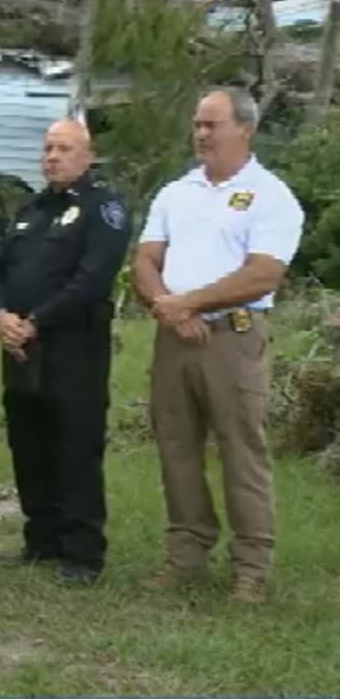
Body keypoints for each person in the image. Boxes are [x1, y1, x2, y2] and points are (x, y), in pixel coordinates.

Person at [131, 87, 303, 604]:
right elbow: (144, 260)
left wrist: (190, 303)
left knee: (240, 451)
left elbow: (264, 273)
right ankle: (186, 556)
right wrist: (168, 305)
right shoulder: (175, 192)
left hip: (234, 338)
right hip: (175, 338)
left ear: (244, 130)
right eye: (198, 125)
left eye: (212, 125)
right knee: (177, 448)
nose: (201, 134)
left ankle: (252, 567)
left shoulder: (271, 195)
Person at [0, 118, 131, 585]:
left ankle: (83, 553)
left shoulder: (102, 208)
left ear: (87, 156)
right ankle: (41, 539)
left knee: (75, 445)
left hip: (74, 348)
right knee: (28, 442)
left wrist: (36, 322)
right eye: (47, 148)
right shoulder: (30, 210)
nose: (52, 156)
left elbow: (92, 280)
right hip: (21, 348)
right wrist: (0, 314)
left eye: (63, 149)